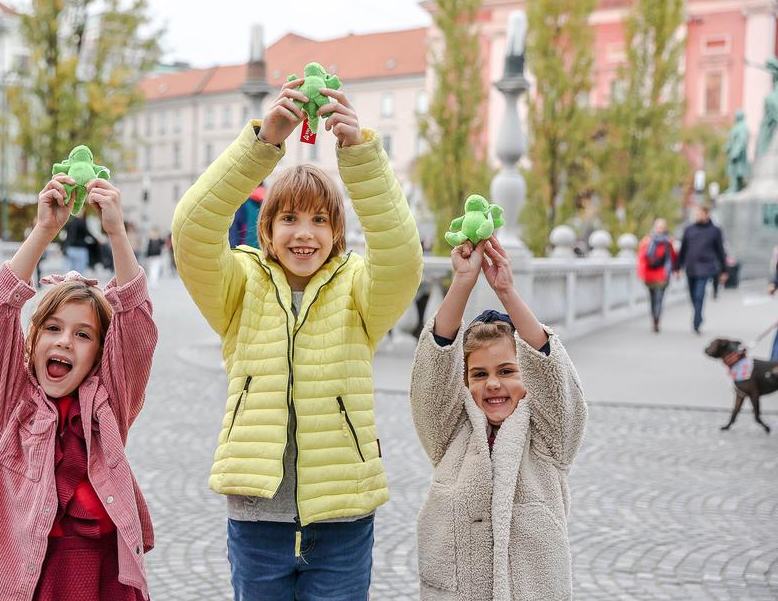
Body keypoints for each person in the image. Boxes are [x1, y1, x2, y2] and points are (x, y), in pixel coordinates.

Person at [171, 78, 422, 600]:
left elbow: (402, 257)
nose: (304, 233)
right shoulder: (239, 286)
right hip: (257, 515)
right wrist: (263, 143)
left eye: (319, 219)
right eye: (289, 218)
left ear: (336, 233)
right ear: (267, 230)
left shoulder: (359, 290)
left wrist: (359, 155)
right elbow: (192, 229)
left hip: (342, 515)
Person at [0, 176, 157, 600]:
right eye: (52, 328)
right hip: (36, 582)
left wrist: (117, 233)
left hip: (105, 581)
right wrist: (44, 229)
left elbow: (136, 328)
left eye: (83, 335)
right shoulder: (13, 402)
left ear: (101, 354)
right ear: (32, 341)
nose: (65, 341)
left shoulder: (109, 403)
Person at [409, 236, 586, 600]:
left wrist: (506, 291)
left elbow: (553, 375)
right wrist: (463, 282)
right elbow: (433, 374)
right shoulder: (448, 432)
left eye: (506, 371)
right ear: (463, 381)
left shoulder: (549, 438)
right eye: (479, 374)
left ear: (529, 374)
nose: (492, 384)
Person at [675, 205, 728, 333]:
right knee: (692, 295)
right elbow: (683, 250)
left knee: (699, 295)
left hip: (706, 267)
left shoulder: (715, 230)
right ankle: (698, 315)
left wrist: (724, 270)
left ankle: (696, 321)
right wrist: (677, 267)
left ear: (706, 214)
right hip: (691, 267)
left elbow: (720, 251)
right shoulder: (689, 229)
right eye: (695, 214)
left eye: (699, 214)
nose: (696, 216)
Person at [637, 218, 678, 333]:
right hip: (650, 275)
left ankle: (656, 320)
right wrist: (641, 274)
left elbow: (673, 258)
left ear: (665, 228)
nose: (660, 229)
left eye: (662, 227)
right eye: (658, 227)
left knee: (659, 298)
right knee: (653, 299)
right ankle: (654, 318)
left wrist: (676, 270)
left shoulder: (668, 242)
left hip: (663, 275)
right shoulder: (647, 241)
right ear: (654, 227)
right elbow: (642, 259)